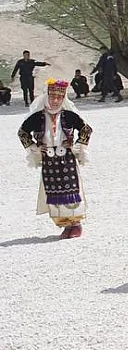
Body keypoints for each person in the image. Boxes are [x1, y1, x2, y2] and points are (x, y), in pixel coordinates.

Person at [17, 79, 92, 239]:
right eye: (53, 97)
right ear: (47, 96)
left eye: (59, 98)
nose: (55, 101)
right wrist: (35, 149)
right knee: (54, 192)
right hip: (49, 160)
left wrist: (78, 147)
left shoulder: (69, 116)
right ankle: (65, 224)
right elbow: (22, 132)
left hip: (67, 158)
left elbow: (86, 130)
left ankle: (76, 223)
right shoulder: (37, 117)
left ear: (63, 98)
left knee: (71, 190)